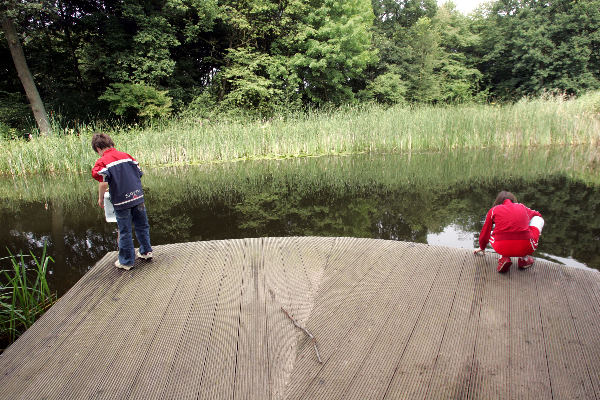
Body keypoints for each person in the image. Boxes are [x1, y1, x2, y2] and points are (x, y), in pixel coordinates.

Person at [91, 133, 153, 270]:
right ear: (111, 144)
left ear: (97, 148)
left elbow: (102, 183)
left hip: (121, 201)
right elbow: (139, 173)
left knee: (124, 231)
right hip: (137, 197)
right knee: (142, 225)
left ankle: (126, 261)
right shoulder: (127, 156)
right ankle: (146, 252)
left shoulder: (102, 162)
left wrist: (101, 198)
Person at [474, 191, 544, 273]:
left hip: (501, 247)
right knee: (537, 219)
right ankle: (524, 259)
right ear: (513, 200)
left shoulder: (493, 210)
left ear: (498, 201)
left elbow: (485, 231)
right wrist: (525, 222)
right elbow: (537, 214)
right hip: (526, 246)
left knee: (495, 231)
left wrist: (482, 247)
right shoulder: (521, 206)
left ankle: (503, 258)